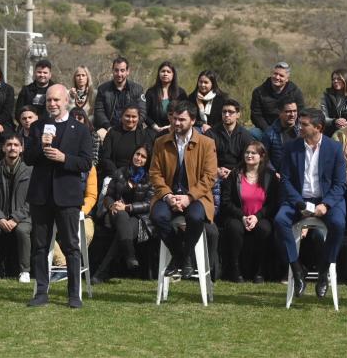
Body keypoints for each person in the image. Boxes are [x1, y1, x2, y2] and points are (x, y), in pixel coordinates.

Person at [24, 84, 93, 308]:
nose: (52, 104)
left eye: (56, 100)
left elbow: (85, 162)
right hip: (41, 196)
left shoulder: (80, 130)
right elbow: (28, 158)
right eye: (49, 101)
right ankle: (41, 291)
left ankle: (74, 293)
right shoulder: (37, 127)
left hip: (68, 196)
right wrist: (42, 146)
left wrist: (64, 158)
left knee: (71, 246)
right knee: (40, 245)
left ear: (66, 101)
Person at [274, 109, 346, 299]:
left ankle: (324, 270)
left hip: (327, 200)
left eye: (304, 124)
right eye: (300, 123)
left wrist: (326, 205)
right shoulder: (291, 147)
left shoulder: (335, 148)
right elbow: (285, 180)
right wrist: (299, 203)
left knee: (338, 224)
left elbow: (340, 184)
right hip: (298, 199)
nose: (300, 127)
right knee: (280, 220)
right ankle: (297, 269)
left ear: (318, 127)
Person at [149, 101, 217, 278]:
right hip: (168, 195)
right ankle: (182, 257)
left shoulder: (207, 143)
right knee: (158, 216)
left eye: (182, 119)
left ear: (193, 120)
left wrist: (189, 197)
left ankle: (181, 258)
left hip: (197, 197)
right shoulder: (160, 142)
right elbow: (155, 174)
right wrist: (168, 195)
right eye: (174, 118)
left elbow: (209, 177)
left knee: (195, 217)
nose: (176, 123)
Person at [91, 144, 153, 283]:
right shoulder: (120, 172)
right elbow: (108, 196)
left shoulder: (150, 179)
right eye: (137, 154)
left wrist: (127, 207)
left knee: (123, 230)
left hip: (138, 218)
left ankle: (100, 273)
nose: (139, 158)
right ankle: (130, 255)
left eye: (143, 157)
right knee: (121, 215)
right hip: (115, 214)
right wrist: (112, 205)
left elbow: (149, 204)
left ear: (147, 161)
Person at [220, 141, 280, 283]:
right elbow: (226, 202)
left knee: (264, 229)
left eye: (253, 153)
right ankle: (235, 270)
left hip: (261, 216)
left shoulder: (270, 176)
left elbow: (273, 203)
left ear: (262, 156)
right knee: (234, 228)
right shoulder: (235, 174)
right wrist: (242, 217)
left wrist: (257, 217)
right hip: (238, 216)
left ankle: (260, 271)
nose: (249, 155)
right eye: (247, 152)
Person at [0, 135, 33, 283]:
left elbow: (32, 200)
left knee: (22, 231)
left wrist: (16, 218)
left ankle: (25, 271)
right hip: (0, 217)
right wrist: (0, 218)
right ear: (3, 148)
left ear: (21, 148)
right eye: (9, 144)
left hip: (23, 217)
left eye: (16, 145)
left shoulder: (30, 170)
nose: (12, 148)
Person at [206, 99, 254, 194]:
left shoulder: (245, 135)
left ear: (238, 115)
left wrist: (234, 172)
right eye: (224, 112)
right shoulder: (211, 133)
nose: (227, 115)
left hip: (238, 173)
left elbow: (249, 159)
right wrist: (216, 169)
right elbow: (204, 157)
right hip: (214, 172)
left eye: (231, 112)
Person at [250, 61, 305, 140]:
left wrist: (291, 129)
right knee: (252, 133)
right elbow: (256, 115)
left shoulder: (295, 92)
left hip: (289, 128)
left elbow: (301, 113)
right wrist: (268, 131)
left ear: (287, 79)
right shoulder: (259, 92)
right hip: (267, 128)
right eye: (275, 74)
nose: (277, 77)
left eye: (281, 75)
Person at [93, 56, 147, 135]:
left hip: (132, 128)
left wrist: (130, 126)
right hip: (108, 128)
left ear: (127, 71)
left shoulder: (138, 89)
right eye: (116, 70)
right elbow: (99, 111)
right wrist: (108, 127)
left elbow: (142, 112)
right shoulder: (103, 89)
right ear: (112, 71)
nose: (119, 74)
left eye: (122, 70)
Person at [99, 104, 155, 179]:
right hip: (114, 175)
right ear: (122, 116)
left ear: (139, 118)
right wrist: (117, 174)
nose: (130, 119)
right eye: (127, 116)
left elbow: (146, 161)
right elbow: (105, 157)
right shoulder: (113, 132)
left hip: (136, 177)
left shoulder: (144, 135)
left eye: (134, 117)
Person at [145, 61, 188, 133]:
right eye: (163, 71)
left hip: (176, 129)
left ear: (173, 74)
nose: (165, 74)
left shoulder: (181, 93)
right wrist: (155, 127)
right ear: (159, 74)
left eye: (168, 72)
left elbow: (186, 113)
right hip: (154, 130)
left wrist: (171, 126)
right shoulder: (151, 92)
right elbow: (144, 114)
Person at [262, 98, 300, 172]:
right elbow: (264, 157)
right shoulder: (269, 133)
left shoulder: (303, 131)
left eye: (294, 111)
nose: (292, 115)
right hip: (278, 175)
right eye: (288, 111)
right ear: (280, 113)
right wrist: (274, 173)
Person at [320, 68, 347, 137]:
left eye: (339, 79)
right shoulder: (326, 96)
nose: (335, 81)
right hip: (330, 132)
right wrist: (335, 121)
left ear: (346, 80)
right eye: (333, 79)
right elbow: (323, 117)